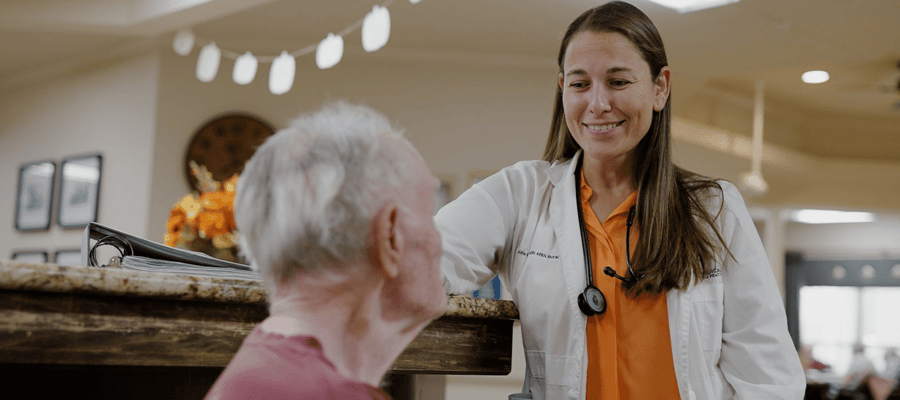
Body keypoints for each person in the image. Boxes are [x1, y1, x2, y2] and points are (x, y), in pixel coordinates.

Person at [435, 1, 804, 399]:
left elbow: (769, 379)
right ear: (562, 88)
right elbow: (422, 262)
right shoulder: (519, 194)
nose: (597, 104)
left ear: (660, 88)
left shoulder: (714, 210)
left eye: (618, 82)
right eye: (580, 84)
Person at [205, 102, 447, 400]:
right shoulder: (325, 393)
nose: (440, 241)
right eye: (429, 213)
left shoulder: (260, 373)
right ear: (390, 235)